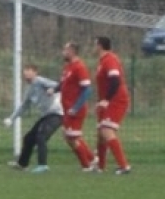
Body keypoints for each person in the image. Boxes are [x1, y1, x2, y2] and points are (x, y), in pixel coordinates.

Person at [4, 65, 63, 173]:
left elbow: (59, 85)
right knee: (29, 138)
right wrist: (11, 119)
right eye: (25, 71)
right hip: (46, 115)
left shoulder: (40, 81)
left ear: (35, 72)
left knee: (41, 136)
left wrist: (53, 89)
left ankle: (43, 165)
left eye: (29, 71)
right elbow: (24, 106)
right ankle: (22, 164)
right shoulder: (29, 89)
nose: (26, 73)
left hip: (57, 113)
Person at [93, 37, 132, 175]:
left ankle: (124, 166)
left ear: (99, 46)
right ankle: (100, 167)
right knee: (100, 134)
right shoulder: (102, 61)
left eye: (94, 44)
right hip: (108, 100)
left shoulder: (110, 59)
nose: (93, 47)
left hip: (117, 99)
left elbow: (115, 81)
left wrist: (106, 100)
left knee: (107, 130)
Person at [55, 42, 94, 170]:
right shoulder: (68, 67)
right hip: (67, 108)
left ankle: (86, 165)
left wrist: (76, 107)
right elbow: (63, 84)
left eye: (65, 50)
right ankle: (93, 159)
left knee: (71, 138)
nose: (63, 52)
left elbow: (87, 89)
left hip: (75, 109)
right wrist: (54, 90)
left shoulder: (79, 67)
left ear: (72, 51)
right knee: (70, 136)